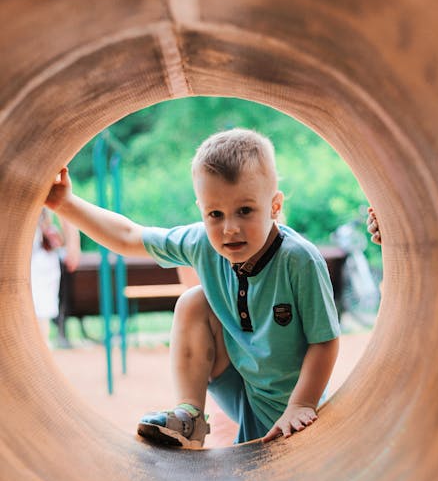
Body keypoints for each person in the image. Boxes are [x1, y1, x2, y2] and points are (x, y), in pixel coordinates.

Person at [45, 128, 340, 448]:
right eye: (215, 214)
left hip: (294, 400)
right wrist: (65, 204)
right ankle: (190, 417)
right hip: (243, 390)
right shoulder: (202, 242)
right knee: (194, 302)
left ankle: (290, 408)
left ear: (274, 205)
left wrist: (302, 404)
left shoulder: (298, 260)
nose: (229, 228)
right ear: (201, 209)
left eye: (245, 210)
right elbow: (129, 237)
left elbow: (324, 341)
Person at [31, 209, 80, 344]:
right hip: (35, 255)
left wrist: (73, 243)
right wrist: (73, 243)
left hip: (37, 256)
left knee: (39, 317)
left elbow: (60, 201)